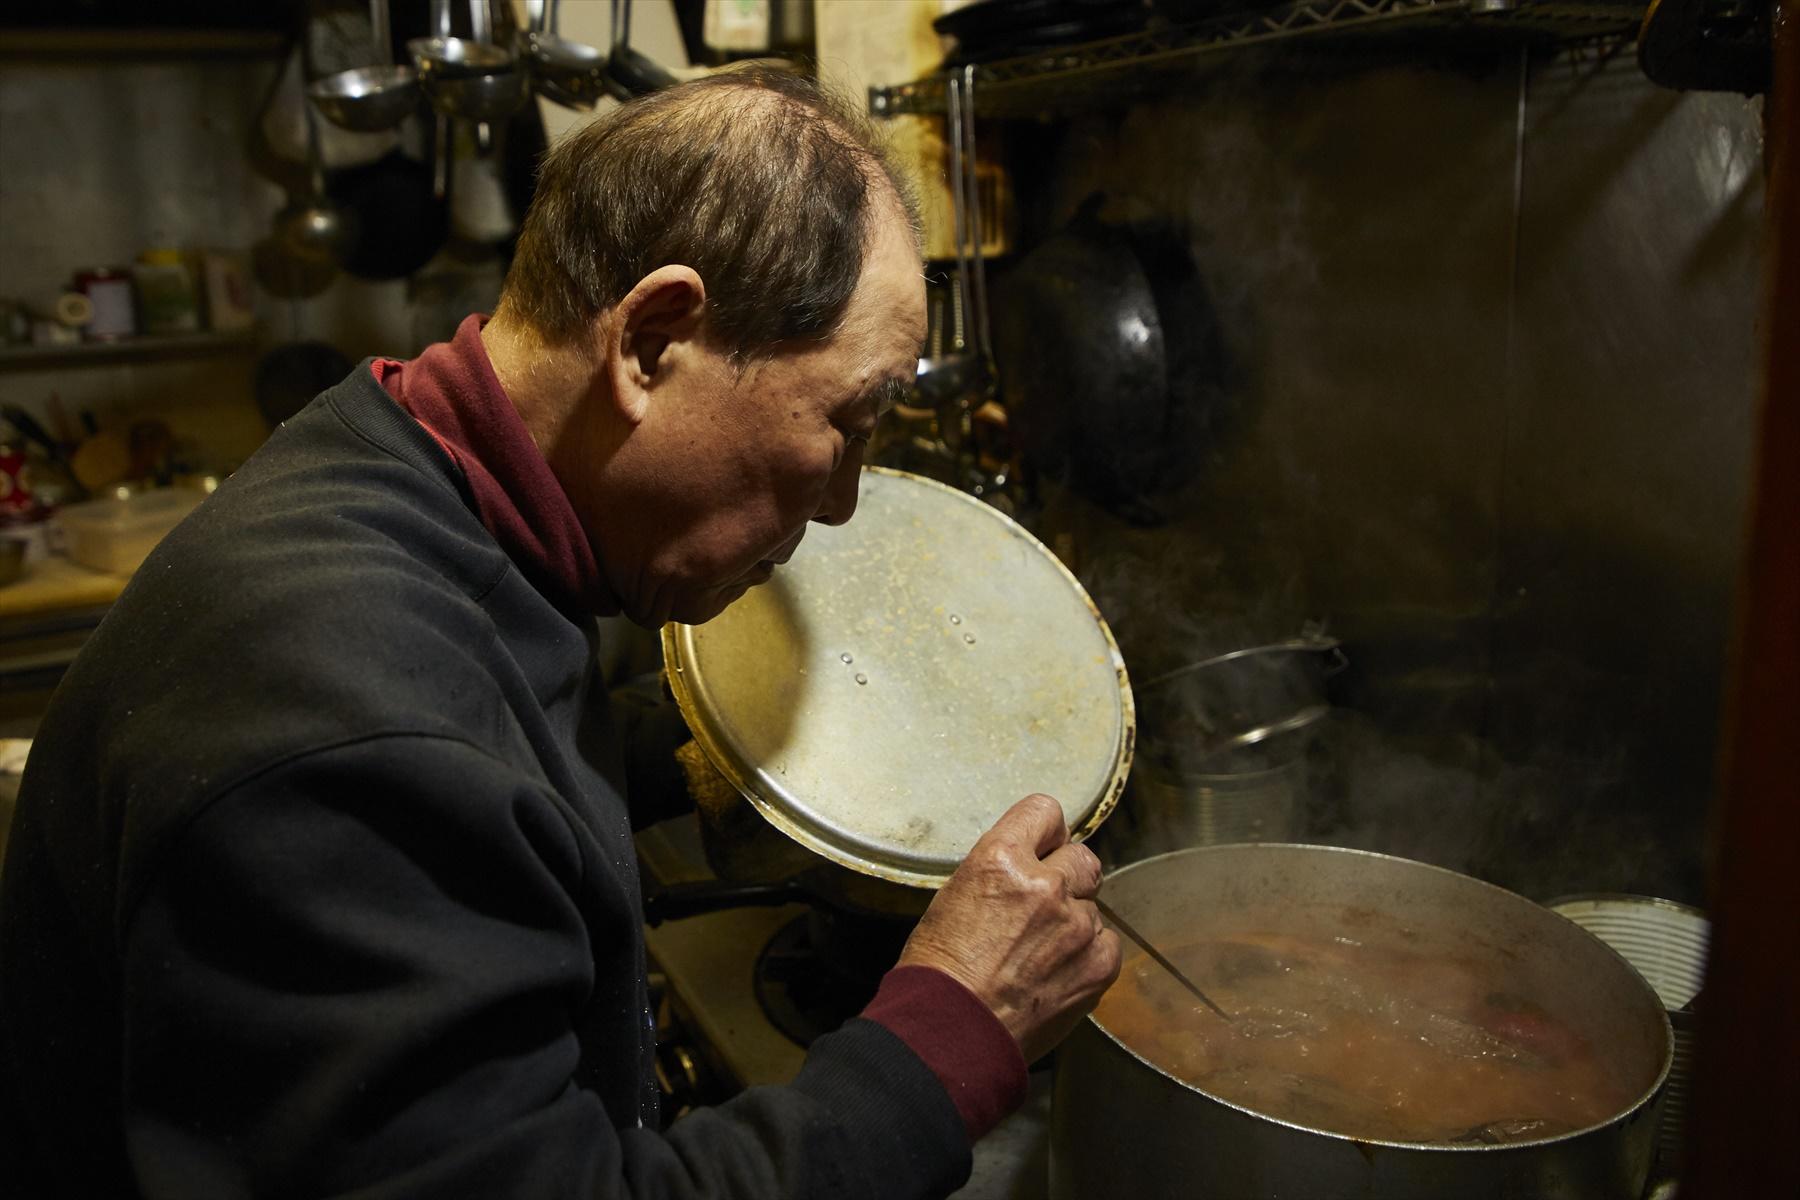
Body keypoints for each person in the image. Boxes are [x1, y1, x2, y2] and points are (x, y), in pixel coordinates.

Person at [0, 68, 1120, 1200]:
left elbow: (495, 725)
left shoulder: (406, 467)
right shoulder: (351, 740)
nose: (842, 504)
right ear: (650, 341)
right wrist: (945, 1035)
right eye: (849, 423)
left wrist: (702, 760)